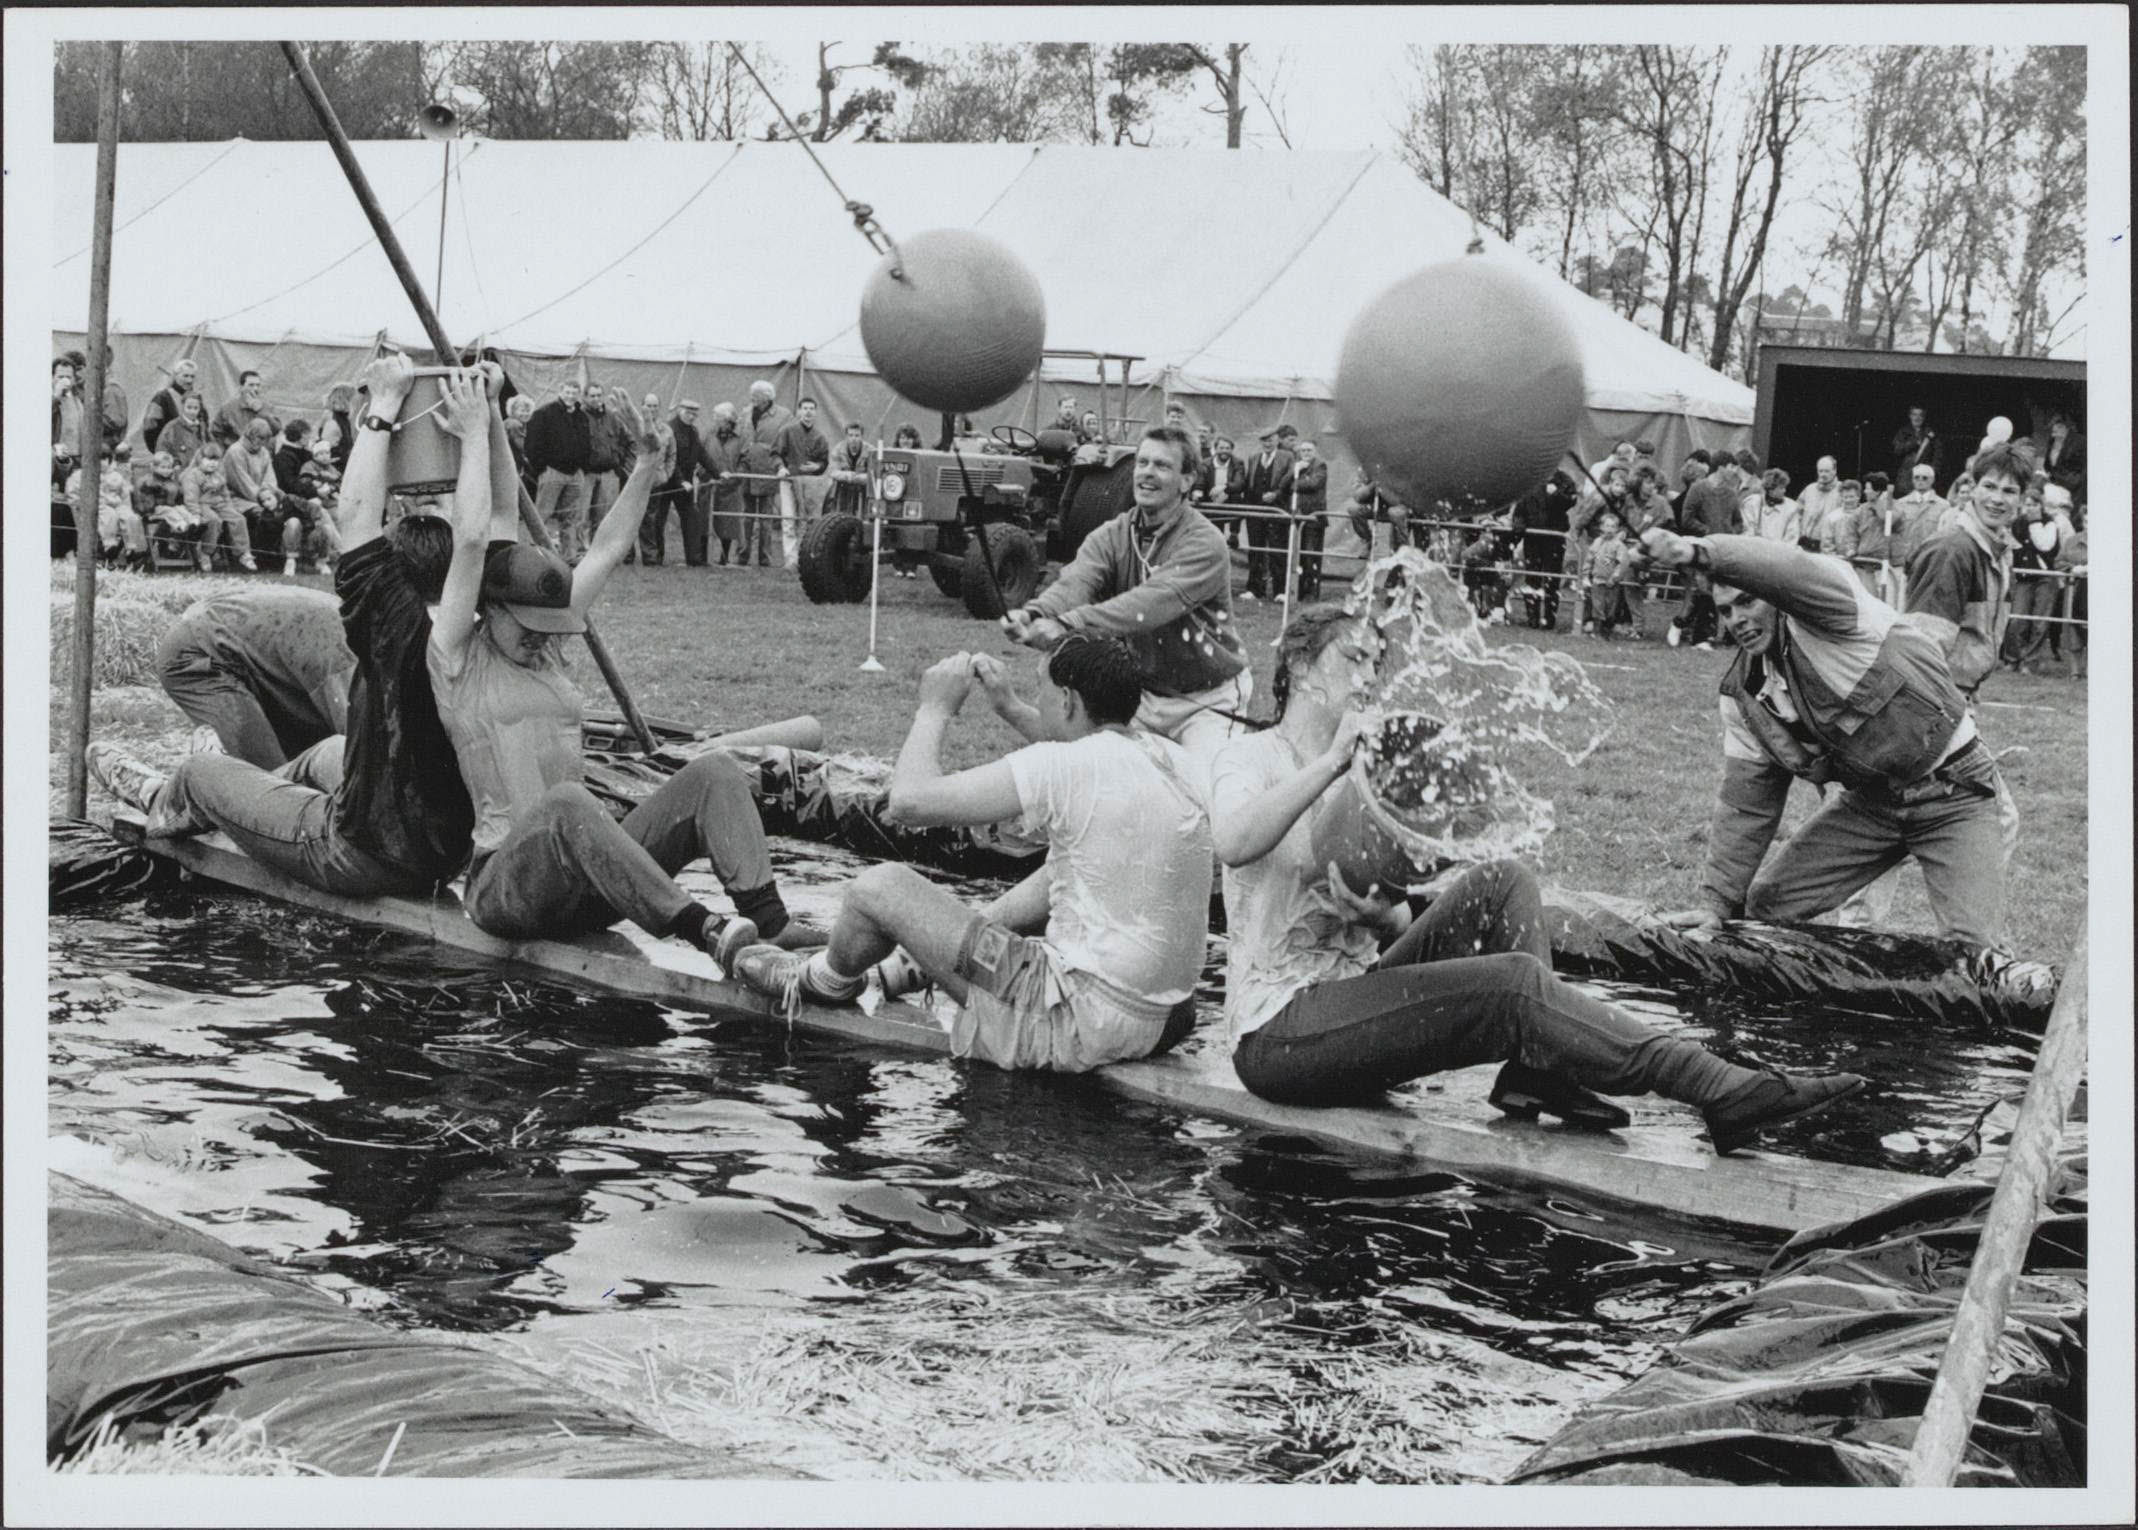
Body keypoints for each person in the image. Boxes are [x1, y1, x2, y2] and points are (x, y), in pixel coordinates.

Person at [1208, 606, 1866, 1154]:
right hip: (1279, 1035)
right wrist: (1328, 767)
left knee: (1503, 880)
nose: (1370, 674)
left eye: (1375, 661)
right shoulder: (1254, 757)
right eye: (1353, 658)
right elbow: (1234, 842)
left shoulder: (1366, 772)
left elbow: (1393, 922)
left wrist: (1383, 918)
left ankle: (1537, 1075)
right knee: (1511, 989)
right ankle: (1716, 1085)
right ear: (1299, 668)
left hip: (1351, 1000)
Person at [426, 372, 808, 961]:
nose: (541, 641)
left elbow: (605, 547)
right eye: (528, 632)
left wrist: (647, 464)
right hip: (505, 889)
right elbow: (476, 537)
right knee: (569, 803)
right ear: (489, 609)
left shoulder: (545, 632)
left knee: (716, 772)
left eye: (548, 631)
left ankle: (770, 921)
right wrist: (477, 431)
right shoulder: (455, 657)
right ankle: (706, 931)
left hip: (588, 879)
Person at [86, 353, 479, 898]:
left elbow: (358, 514)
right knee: (327, 751)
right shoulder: (474, 626)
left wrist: (384, 407)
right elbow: (484, 533)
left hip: (361, 852)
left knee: (205, 774)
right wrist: (482, 433)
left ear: (391, 584)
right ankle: (252, 782)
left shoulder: (389, 636)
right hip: (439, 845)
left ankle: (161, 796)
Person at [729, 638, 1215, 1075]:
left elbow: (909, 803)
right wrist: (1007, 706)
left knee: (880, 889)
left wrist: (934, 709)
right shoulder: (1170, 758)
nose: (1037, 701)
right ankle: (908, 968)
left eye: (1040, 690)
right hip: (1164, 1018)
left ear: (1067, 700)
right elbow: (1076, 751)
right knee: (1063, 870)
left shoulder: (1067, 766)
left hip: (1073, 1021)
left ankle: (823, 980)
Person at [1642, 526, 2011, 951]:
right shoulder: (1742, 697)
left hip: (1955, 792)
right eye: (1725, 611)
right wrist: (1716, 903)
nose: (1738, 620)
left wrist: (1697, 552)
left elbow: (1789, 569)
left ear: (1776, 596)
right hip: (1873, 805)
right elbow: (1747, 804)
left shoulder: (1836, 614)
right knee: (1764, 909)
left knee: (1975, 953)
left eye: (1748, 600)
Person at [1002, 426, 1250, 765]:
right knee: (1113, 778)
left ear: (1188, 480)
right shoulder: (1113, 533)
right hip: (1144, 695)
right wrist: (1034, 613)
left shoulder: (1205, 543)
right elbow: (1077, 579)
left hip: (1207, 699)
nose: (1147, 473)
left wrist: (1067, 623)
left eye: (1162, 465)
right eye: (1142, 462)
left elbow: (1149, 604)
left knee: (1205, 796)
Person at [154, 585, 354, 769]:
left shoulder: (364, 635)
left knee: (310, 766)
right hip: (200, 651)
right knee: (269, 781)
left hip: (259, 654)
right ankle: (154, 792)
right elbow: (362, 751)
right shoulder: (350, 660)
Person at [1904, 441, 2028, 701]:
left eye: (2009, 491)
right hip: (1934, 699)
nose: (1997, 499)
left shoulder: (1999, 551)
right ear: (1972, 488)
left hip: (1960, 694)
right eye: (1989, 486)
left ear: (2021, 499)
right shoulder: (1952, 549)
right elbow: (1923, 647)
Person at [641, 399, 718, 567]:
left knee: (691, 517)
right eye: (689, 413)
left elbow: (701, 454)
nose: (692, 417)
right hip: (666, 482)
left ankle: (694, 558)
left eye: (695, 414)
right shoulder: (670, 429)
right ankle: (655, 558)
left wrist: (717, 472)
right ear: (680, 411)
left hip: (685, 484)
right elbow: (671, 458)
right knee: (658, 520)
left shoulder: (693, 431)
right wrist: (680, 480)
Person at [2003, 482, 2070, 674]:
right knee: (2017, 618)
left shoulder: (2050, 523)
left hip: (2045, 577)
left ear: (2041, 505)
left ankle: (2030, 661)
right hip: (2024, 576)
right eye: (2027, 504)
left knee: (2039, 620)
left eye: (2034, 504)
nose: (2030, 508)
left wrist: (2034, 523)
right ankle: (2012, 658)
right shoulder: (2016, 523)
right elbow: (2012, 546)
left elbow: (2044, 546)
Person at [523, 380, 593, 563]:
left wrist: (583, 467)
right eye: (567, 392)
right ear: (560, 392)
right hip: (552, 471)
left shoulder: (581, 417)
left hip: (575, 474)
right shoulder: (544, 413)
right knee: (542, 515)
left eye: (574, 393)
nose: (571, 396)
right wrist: (541, 468)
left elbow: (587, 442)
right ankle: (535, 555)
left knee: (570, 517)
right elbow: (531, 445)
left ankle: (568, 556)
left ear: (579, 395)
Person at [1510, 469, 1576, 631]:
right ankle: (1532, 618)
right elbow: (1520, 507)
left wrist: (1556, 494)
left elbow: (1570, 502)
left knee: (1552, 579)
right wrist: (1519, 525)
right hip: (1532, 537)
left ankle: (1549, 619)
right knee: (1532, 578)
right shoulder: (1530, 478)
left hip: (1554, 538)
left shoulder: (1564, 480)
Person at [1239, 428, 1297, 602]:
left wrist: (1276, 494)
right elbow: (1249, 482)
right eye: (1263, 440)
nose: (1267, 443)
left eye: (1270, 439)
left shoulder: (1287, 457)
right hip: (1255, 510)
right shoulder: (1254, 458)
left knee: (1277, 550)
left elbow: (1289, 480)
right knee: (1255, 550)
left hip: (1276, 510)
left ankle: (1280, 591)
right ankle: (1255, 589)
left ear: (1277, 440)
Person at [741, 380, 794, 568]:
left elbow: (786, 442)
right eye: (751, 394)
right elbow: (742, 435)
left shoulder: (784, 415)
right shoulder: (746, 412)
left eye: (755, 394)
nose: (751, 397)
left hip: (768, 468)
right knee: (746, 515)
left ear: (767, 397)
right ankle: (743, 555)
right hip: (747, 467)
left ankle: (765, 558)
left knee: (765, 517)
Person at [774, 396, 833, 566]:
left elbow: (824, 461)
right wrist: (780, 467)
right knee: (788, 519)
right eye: (805, 408)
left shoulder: (820, 437)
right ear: (799, 411)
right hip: (789, 481)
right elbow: (776, 453)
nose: (808, 412)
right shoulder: (787, 431)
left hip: (810, 484)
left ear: (816, 413)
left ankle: (805, 558)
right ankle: (790, 559)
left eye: (811, 409)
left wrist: (817, 467)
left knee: (808, 521)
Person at [182, 441, 251, 571]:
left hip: (219, 504)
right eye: (209, 459)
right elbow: (191, 498)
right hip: (202, 504)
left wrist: (230, 508)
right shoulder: (192, 475)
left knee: (239, 519)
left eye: (216, 460)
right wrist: (195, 513)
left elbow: (225, 495)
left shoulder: (218, 476)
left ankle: (243, 553)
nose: (213, 463)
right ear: (200, 459)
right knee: (214, 521)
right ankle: (206, 553)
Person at [582, 384, 634, 544]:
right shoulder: (578, 417)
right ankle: (579, 549)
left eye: (599, 395)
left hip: (608, 474)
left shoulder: (612, 418)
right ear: (585, 397)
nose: (596, 399)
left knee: (603, 515)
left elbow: (629, 441)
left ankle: (598, 548)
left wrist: (623, 465)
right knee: (581, 514)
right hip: (585, 474)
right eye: (592, 396)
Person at [704, 402, 750, 567]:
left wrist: (735, 477)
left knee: (728, 522)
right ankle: (704, 556)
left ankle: (724, 557)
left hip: (732, 487)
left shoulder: (741, 437)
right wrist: (704, 474)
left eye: (717, 417)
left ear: (727, 420)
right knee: (706, 520)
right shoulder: (709, 434)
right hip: (711, 484)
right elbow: (702, 455)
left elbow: (745, 460)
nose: (715, 420)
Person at [1583, 510, 1636, 639]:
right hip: (1597, 580)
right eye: (1607, 526)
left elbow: (1623, 563)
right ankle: (1597, 631)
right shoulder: (1597, 542)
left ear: (1617, 529)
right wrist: (1585, 574)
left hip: (1611, 583)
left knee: (1610, 608)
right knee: (1597, 606)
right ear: (1601, 527)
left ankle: (1607, 631)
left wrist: (1614, 578)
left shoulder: (1619, 546)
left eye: (1613, 526)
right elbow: (1589, 558)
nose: (1609, 529)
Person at [1291, 439, 1330, 599]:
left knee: (1311, 555)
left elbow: (1314, 484)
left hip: (1313, 515)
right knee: (1296, 554)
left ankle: (1311, 592)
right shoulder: (1297, 465)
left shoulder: (1320, 465)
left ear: (1315, 451)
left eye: (1309, 450)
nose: (1306, 453)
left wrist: (1296, 480)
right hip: (1298, 514)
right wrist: (1297, 473)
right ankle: (1299, 591)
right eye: (1303, 450)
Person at [139, 358, 200, 455]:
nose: (189, 380)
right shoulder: (162, 398)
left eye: (192, 376)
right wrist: (160, 453)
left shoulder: (197, 398)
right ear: (176, 375)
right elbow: (150, 428)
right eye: (185, 376)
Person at [212, 369, 280, 448]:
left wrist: (260, 411)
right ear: (241, 387)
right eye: (251, 385)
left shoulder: (267, 407)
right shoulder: (228, 408)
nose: (255, 389)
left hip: (260, 455)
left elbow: (276, 430)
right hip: (236, 455)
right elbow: (216, 433)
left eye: (258, 385)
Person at [2029, 409, 2085, 499]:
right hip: (2055, 487)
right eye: (2053, 426)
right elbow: (2048, 466)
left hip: (2073, 491)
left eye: (2058, 426)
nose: (2053, 429)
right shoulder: (2052, 441)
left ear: (2066, 427)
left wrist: (2058, 480)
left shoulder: (2080, 442)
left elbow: (2080, 472)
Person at [155, 390, 211, 469]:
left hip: (200, 472)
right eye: (189, 407)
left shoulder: (202, 428)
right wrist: (175, 464)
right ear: (182, 406)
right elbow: (161, 451)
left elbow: (210, 447)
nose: (192, 412)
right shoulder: (172, 427)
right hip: (179, 472)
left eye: (196, 408)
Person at [1797, 457, 1844, 550]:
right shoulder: (1809, 489)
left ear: (1835, 471)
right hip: (1805, 543)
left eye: (1827, 471)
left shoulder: (1842, 491)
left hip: (1828, 547)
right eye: (1820, 471)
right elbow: (1797, 514)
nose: (1823, 474)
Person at [1748, 468, 1801, 545]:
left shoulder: (1792, 507)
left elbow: (1791, 537)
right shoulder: (1752, 502)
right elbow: (1747, 531)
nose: (1785, 491)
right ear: (1770, 490)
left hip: (1778, 553)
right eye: (1781, 488)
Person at [1890, 404, 1940, 487]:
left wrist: (1933, 470)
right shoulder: (1902, 432)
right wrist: (1914, 443)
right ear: (1910, 416)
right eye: (1914, 414)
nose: (1917, 418)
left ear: (1924, 417)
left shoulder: (1930, 433)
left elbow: (1937, 455)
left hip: (1924, 475)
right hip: (1906, 476)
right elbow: (1897, 450)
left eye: (1920, 415)